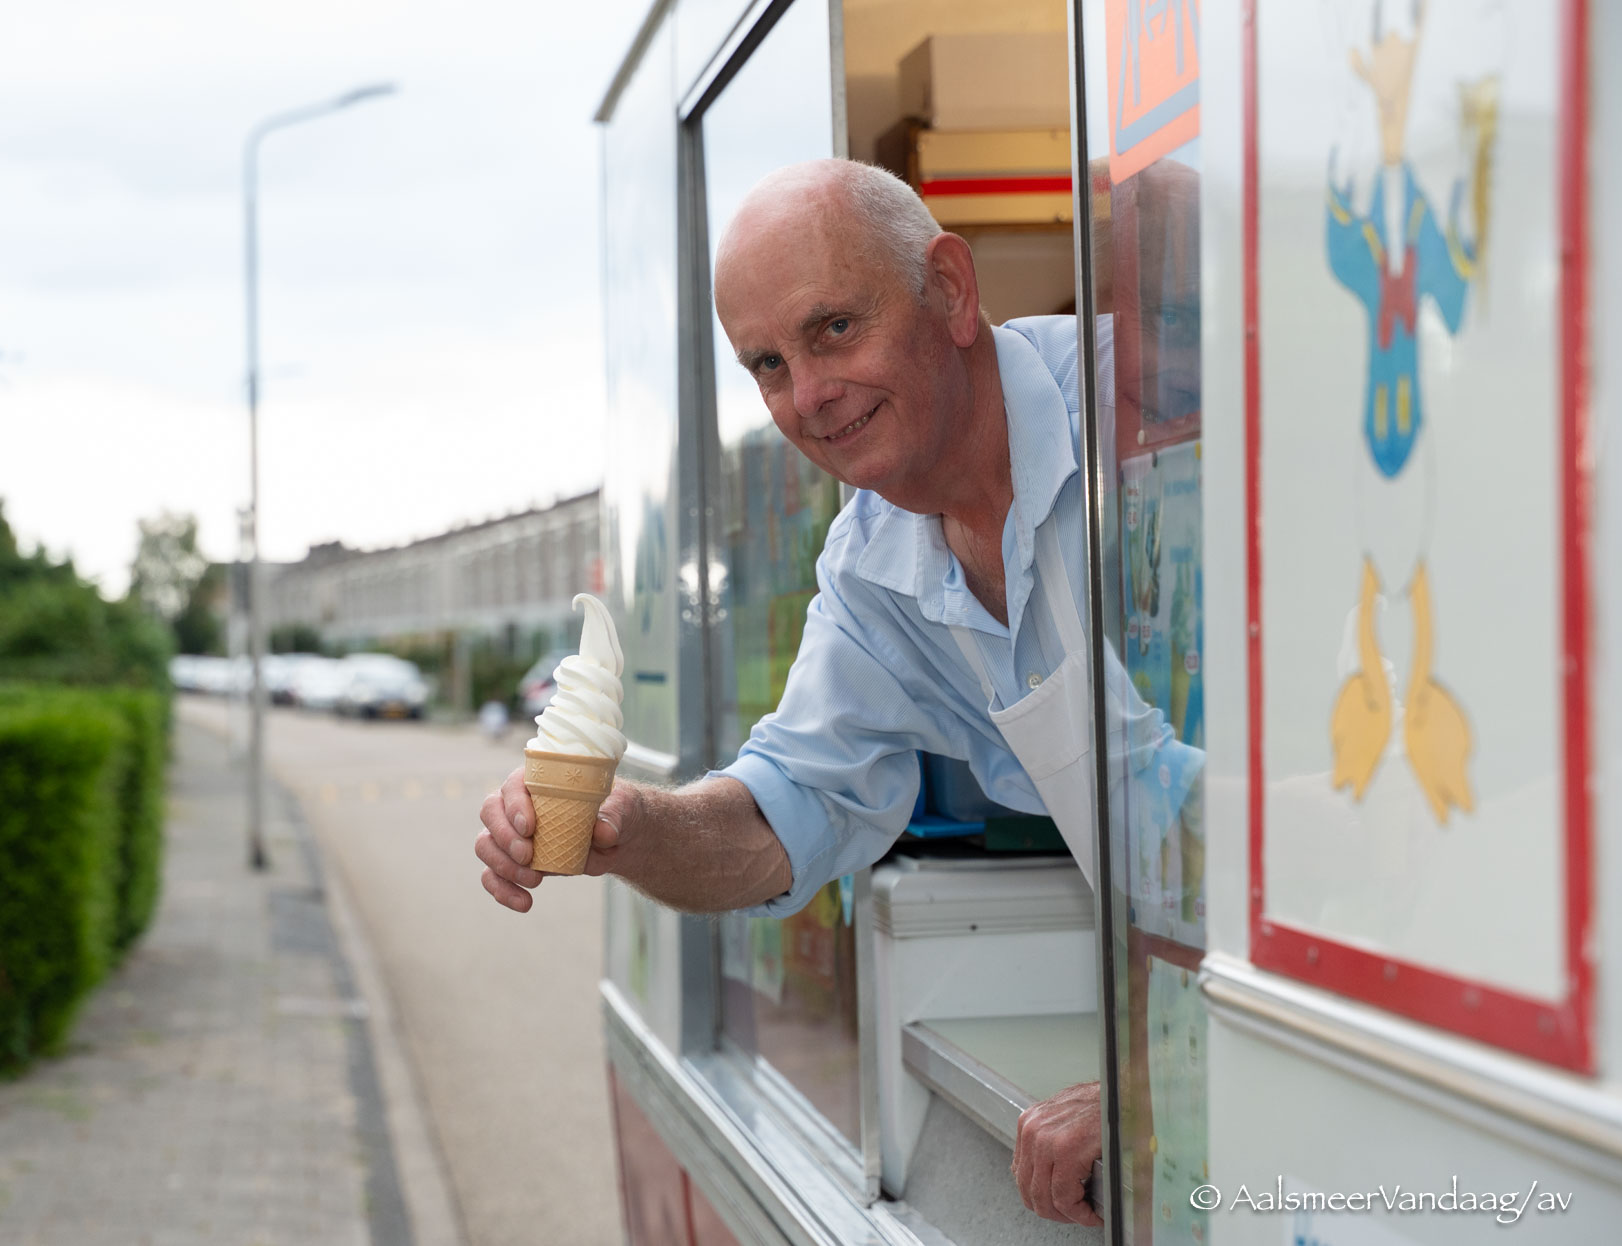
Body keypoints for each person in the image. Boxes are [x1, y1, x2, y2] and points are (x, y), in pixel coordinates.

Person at [474, 157, 1189, 1227]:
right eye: (766, 363)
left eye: (833, 330)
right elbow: (785, 809)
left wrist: (1168, 1076)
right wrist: (625, 827)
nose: (806, 397)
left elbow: (1329, 810)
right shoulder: (872, 559)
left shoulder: (1148, 424)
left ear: (948, 290)